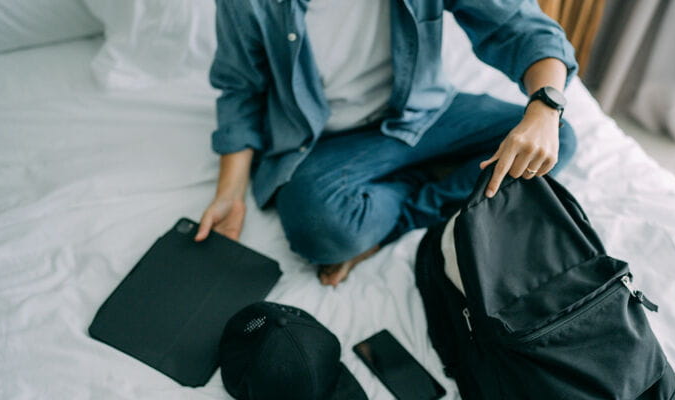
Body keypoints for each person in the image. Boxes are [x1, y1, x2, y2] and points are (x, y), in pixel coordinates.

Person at [196, 0, 578, 286]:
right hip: (326, 142)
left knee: (556, 136)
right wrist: (230, 192)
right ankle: (416, 182)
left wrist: (545, 107)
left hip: (425, 113)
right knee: (320, 231)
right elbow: (240, 87)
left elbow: (521, 27)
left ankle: (404, 208)